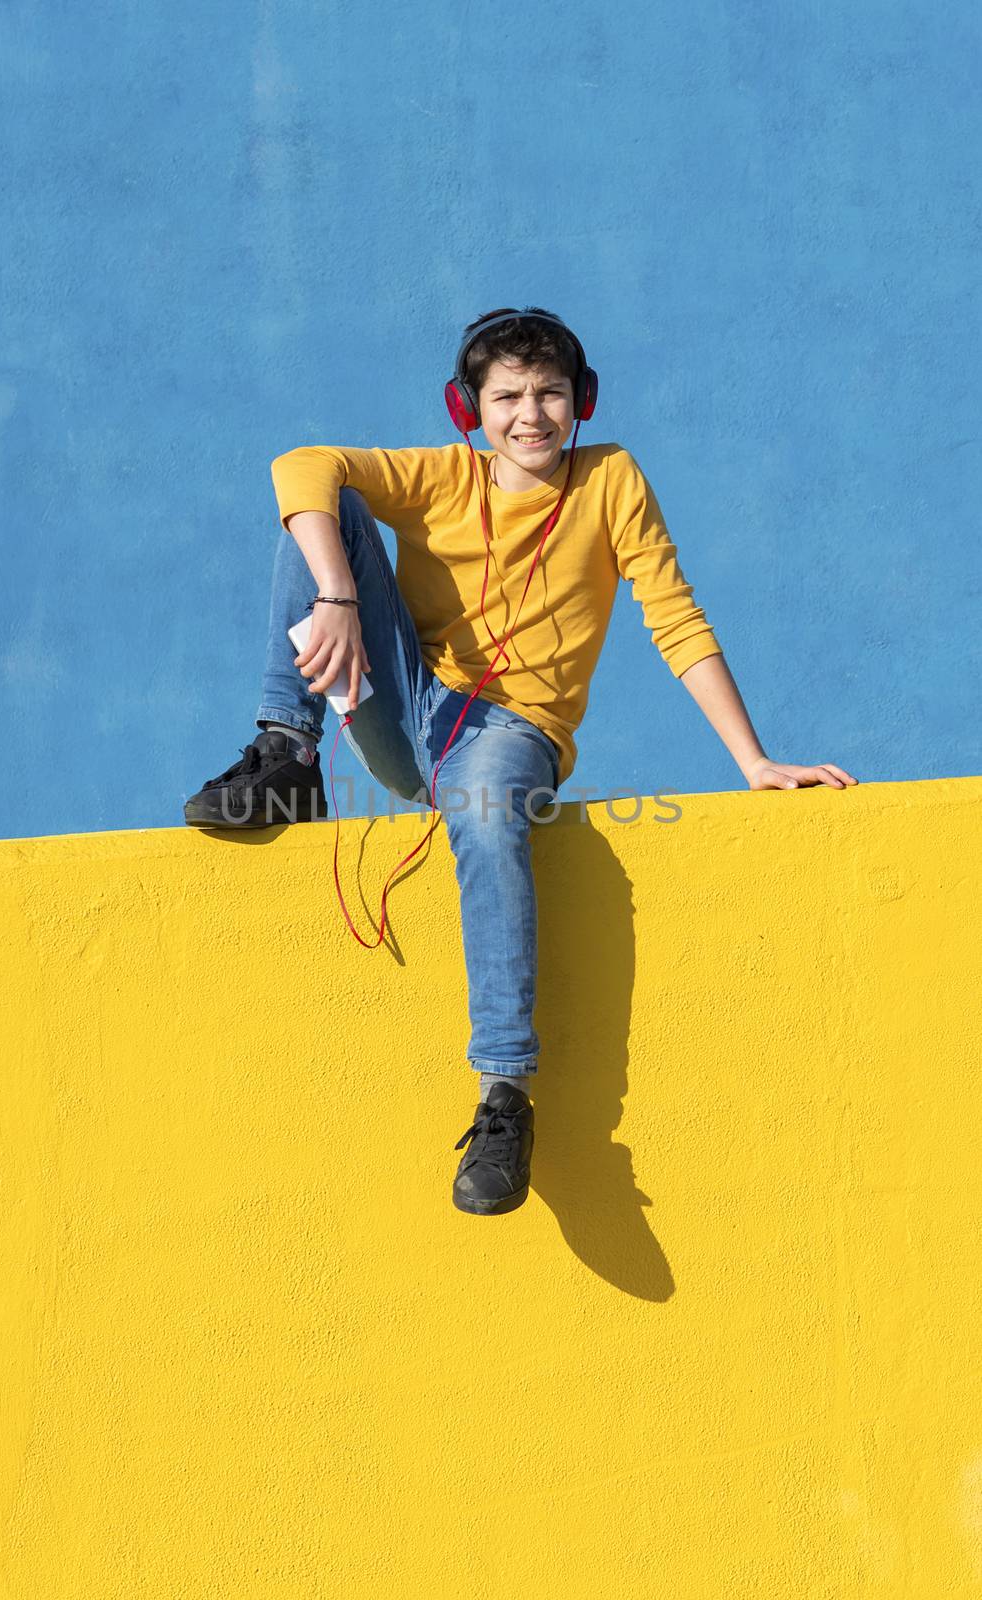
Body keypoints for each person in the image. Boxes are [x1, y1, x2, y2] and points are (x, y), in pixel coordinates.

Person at [183, 306, 858, 1216]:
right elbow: (300, 466)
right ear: (471, 409)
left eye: (549, 393)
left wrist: (755, 761)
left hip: (511, 734)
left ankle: (503, 1096)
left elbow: (675, 617)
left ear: (581, 399)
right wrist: (341, 592)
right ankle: (287, 750)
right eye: (507, 396)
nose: (530, 414)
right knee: (324, 505)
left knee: (493, 814)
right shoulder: (443, 478)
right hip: (412, 707)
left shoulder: (611, 480)